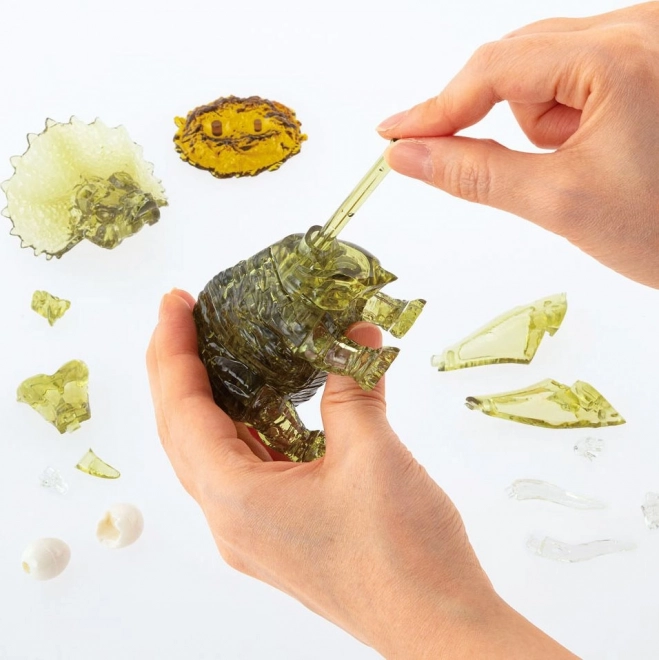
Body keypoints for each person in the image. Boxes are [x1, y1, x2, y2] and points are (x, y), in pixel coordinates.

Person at [146, 3, 658, 657]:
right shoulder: (279, 307)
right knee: (283, 385)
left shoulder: (312, 273)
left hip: (284, 318)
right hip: (254, 362)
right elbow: (302, 339)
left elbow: (328, 316)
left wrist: (412, 610)